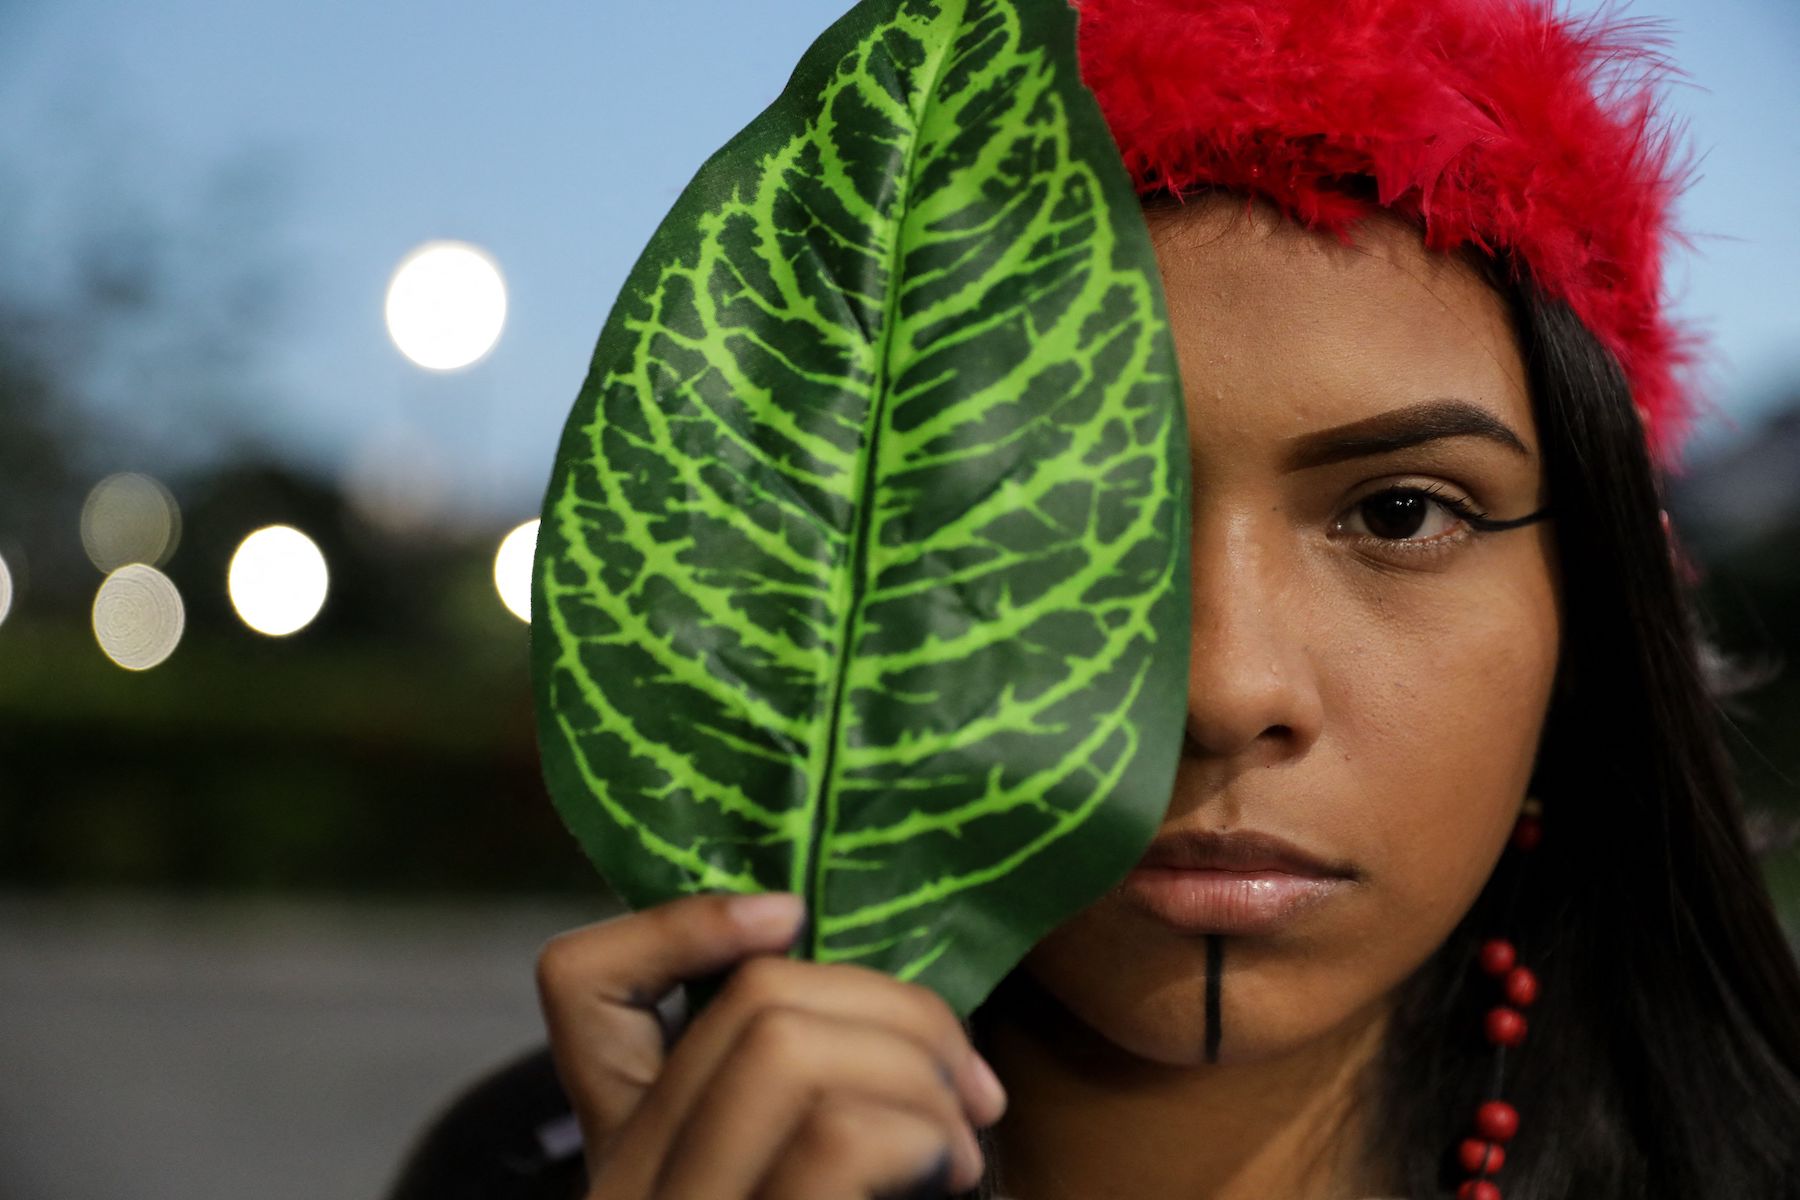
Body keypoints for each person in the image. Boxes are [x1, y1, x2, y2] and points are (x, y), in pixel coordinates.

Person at [386, 0, 1800, 1197]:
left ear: (1588, 617)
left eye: (1400, 514)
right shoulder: (552, 1162)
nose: (1224, 689)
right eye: (1063, 516)